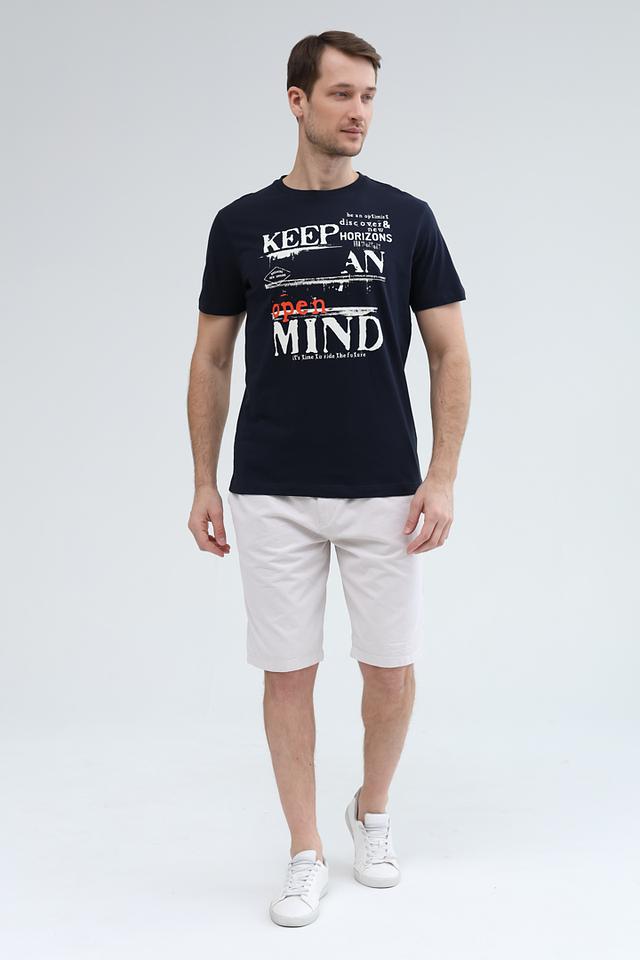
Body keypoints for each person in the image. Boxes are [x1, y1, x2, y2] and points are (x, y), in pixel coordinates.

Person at [187, 29, 471, 927]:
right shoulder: (240, 224)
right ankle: (306, 849)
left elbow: (450, 352)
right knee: (287, 675)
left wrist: (442, 476)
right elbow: (210, 358)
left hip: (386, 485)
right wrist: (203, 480)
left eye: (369, 96)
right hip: (271, 488)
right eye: (342, 94)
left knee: (389, 671)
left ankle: (371, 812)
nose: (359, 113)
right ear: (297, 100)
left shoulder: (407, 218)